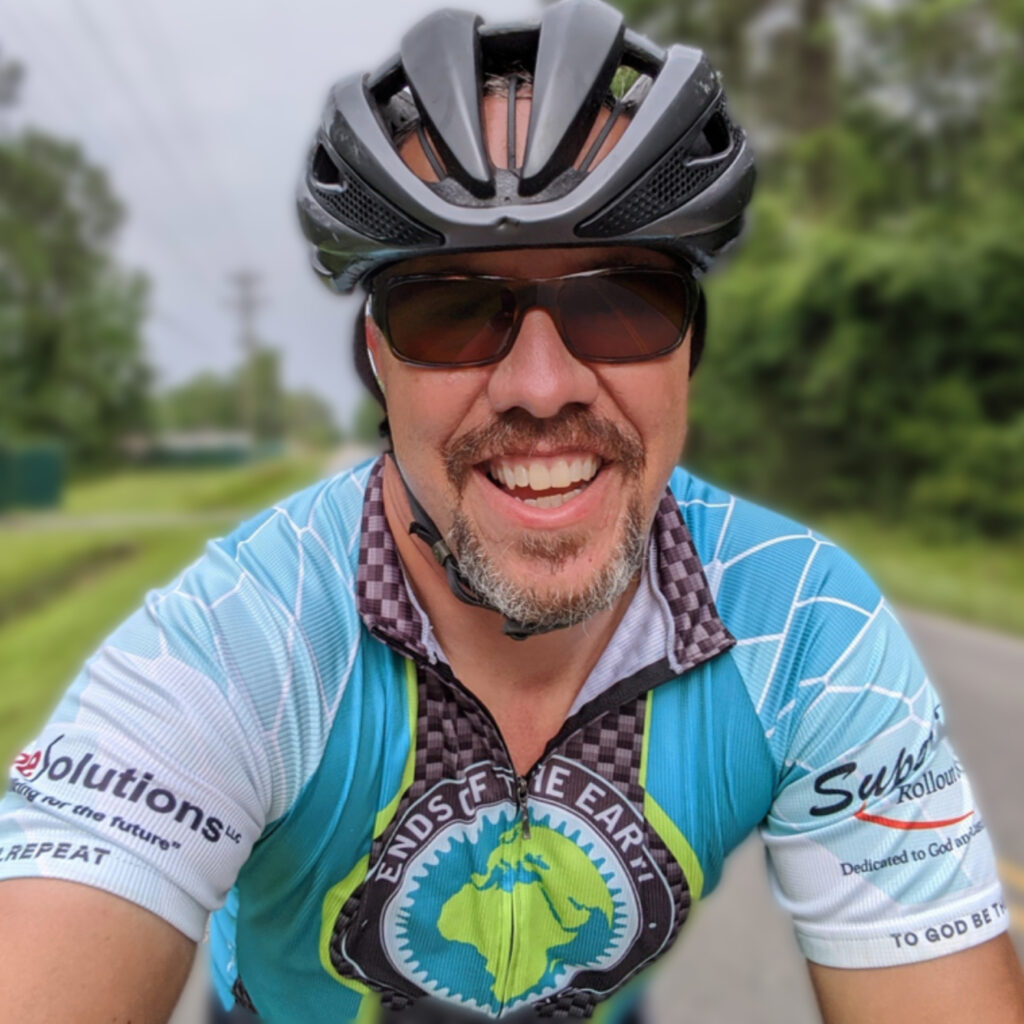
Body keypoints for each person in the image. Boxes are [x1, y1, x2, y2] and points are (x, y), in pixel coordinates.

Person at [1, 1, 1022, 1022]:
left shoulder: (803, 626)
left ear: (688, 345)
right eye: (450, 310)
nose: (543, 385)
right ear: (376, 361)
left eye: (620, 299)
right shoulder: (240, 641)